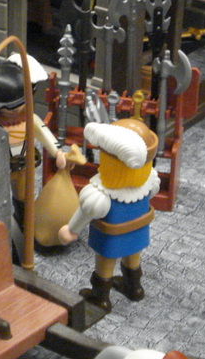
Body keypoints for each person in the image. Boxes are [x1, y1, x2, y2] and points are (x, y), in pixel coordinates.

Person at [58, 119, 159, 311]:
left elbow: (86, 213)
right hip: (138, 233)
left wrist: (71, 230)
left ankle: (101, 298)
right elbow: (153, 195)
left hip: (110, 239)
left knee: (106, 260)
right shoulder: (150, 181)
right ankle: (134, 288)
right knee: (133, 255)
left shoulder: (99, 193)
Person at [0, 54, 66, 226]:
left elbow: (45, 134)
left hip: (25, 166)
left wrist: (58, 152)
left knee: (24, 197)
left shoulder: (30, 120)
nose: (12, 113)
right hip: (1, 168)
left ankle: (23, 222)